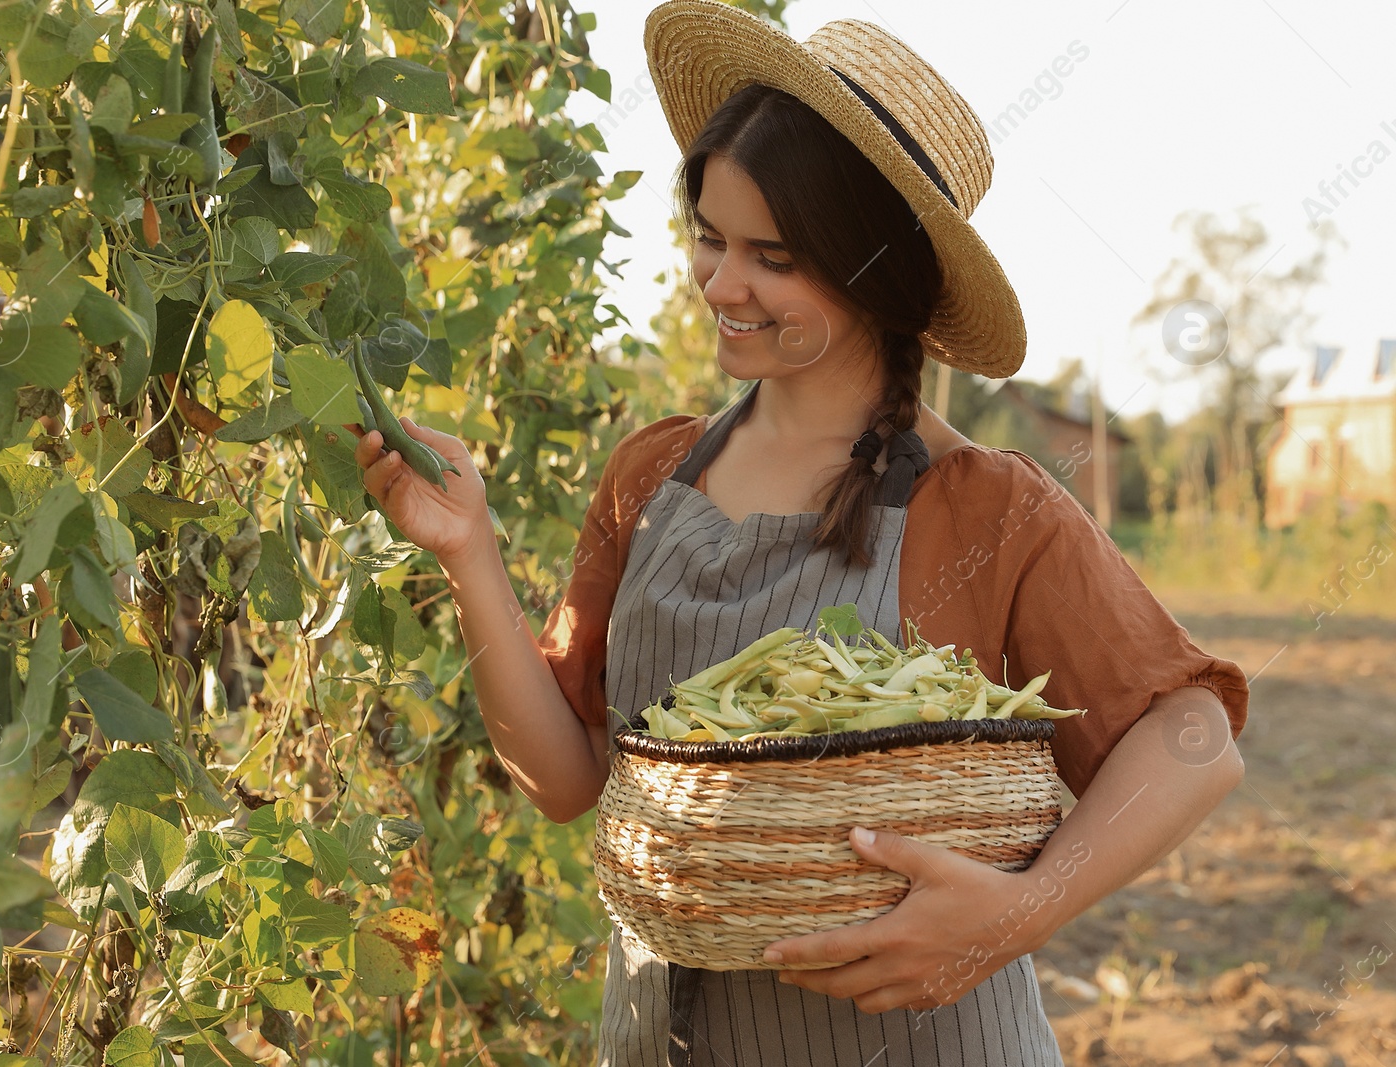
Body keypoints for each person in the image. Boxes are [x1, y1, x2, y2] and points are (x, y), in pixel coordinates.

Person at [352, 3, 1249, 1063]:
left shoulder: (983, 506)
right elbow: (567, 780)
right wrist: (469, 550)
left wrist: (1024, 908)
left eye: (770, 256)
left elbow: (1195, 739)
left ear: (874, 274)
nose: (721, 285)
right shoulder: (652, 474)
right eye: (708, 238)